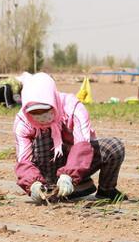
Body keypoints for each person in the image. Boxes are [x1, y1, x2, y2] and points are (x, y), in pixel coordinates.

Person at [13, 73, 126, 203]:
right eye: (34, 113)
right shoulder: (23, 121)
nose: (41, 116)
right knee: (44, 134)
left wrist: (68, 175)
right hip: (47, 166)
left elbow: (82, 146)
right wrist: (32, 183)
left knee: (114, 146)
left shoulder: (73, 108)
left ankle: (105, 190)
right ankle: (51, 188)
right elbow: (23, 159)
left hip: (78, 160)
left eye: (45, 110)